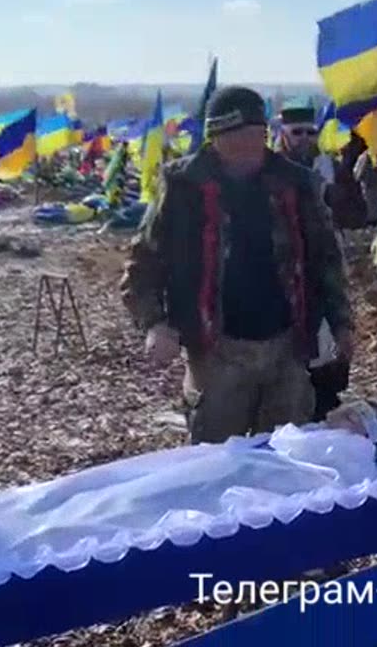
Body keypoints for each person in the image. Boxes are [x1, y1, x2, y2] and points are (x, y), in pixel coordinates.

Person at [121, 86, 354, 444]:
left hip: (287, 348)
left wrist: (341, 325)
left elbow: (327, 260)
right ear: (214, 138)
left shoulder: (297, 184)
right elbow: (143, 263)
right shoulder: (183, 186)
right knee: (214, 463)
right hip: (216, 350)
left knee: (285, 459)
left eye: (254, 137)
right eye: (234, 139)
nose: (246, 148)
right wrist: (154, 323)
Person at [273, 100, 351, 421]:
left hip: (320, 270)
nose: (305, 138)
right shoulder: (269, 172)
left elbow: (347, 212)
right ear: (283, 134)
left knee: (327, 358)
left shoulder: (324, 167)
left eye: (310, 132)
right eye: (297, 132)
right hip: (278, 278)